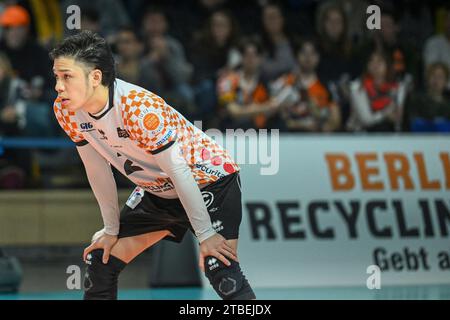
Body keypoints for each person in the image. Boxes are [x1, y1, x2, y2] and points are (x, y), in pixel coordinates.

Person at [50, 30, 255, 300]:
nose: (58, 86)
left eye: (67, 76)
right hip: (158, 189)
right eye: (56, 76)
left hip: (210, 181)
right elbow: (97, 170)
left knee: (220, 269)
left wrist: (205, 234)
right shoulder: (66, 110)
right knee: (101, 261)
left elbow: (179, 170)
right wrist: (111, 229)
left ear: (95, 77)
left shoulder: (138, 108)